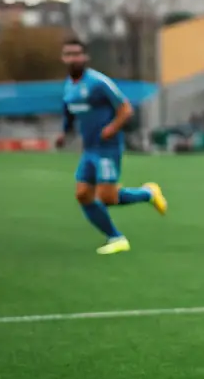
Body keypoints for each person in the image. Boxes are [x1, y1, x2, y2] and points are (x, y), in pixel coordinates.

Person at [57, 38, 167, 254]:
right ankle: (116, 238)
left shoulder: (98, 82)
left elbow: (125, 109)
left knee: (107, 198)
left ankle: (148, 193)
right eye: (68, 54)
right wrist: (64, 133)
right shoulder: (68, 86)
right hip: (89, 149)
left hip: (108, 148)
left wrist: (112, 128)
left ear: (85, 57)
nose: (73, 58)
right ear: (63, 58)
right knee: (83, 195)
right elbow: (69, 112)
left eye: (77, 54)